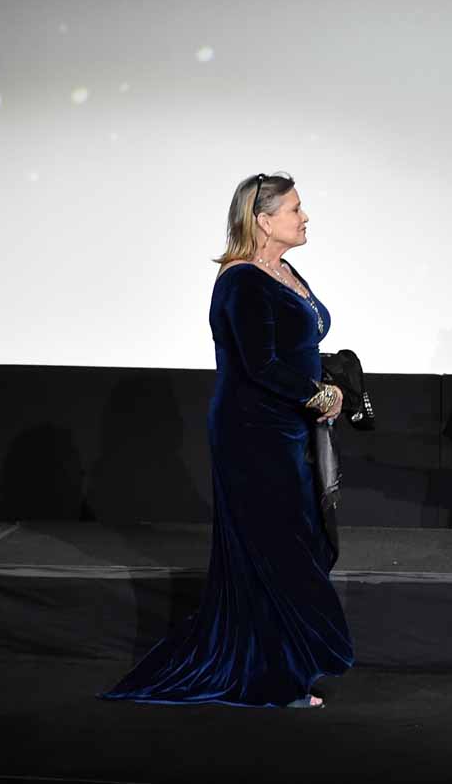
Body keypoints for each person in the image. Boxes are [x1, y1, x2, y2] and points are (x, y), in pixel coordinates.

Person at [101, 172, 353, 708]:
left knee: (293, 548)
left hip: (289, 431)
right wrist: (320, 395)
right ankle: (273, 680)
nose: (305, 217)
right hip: (253, 435)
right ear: (263, 220)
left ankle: (281, 667)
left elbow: (298, 341)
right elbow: (260, 366)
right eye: (295, 209)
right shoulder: (240, 281)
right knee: (275, 553)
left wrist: (327, 385)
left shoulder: (283, 270)